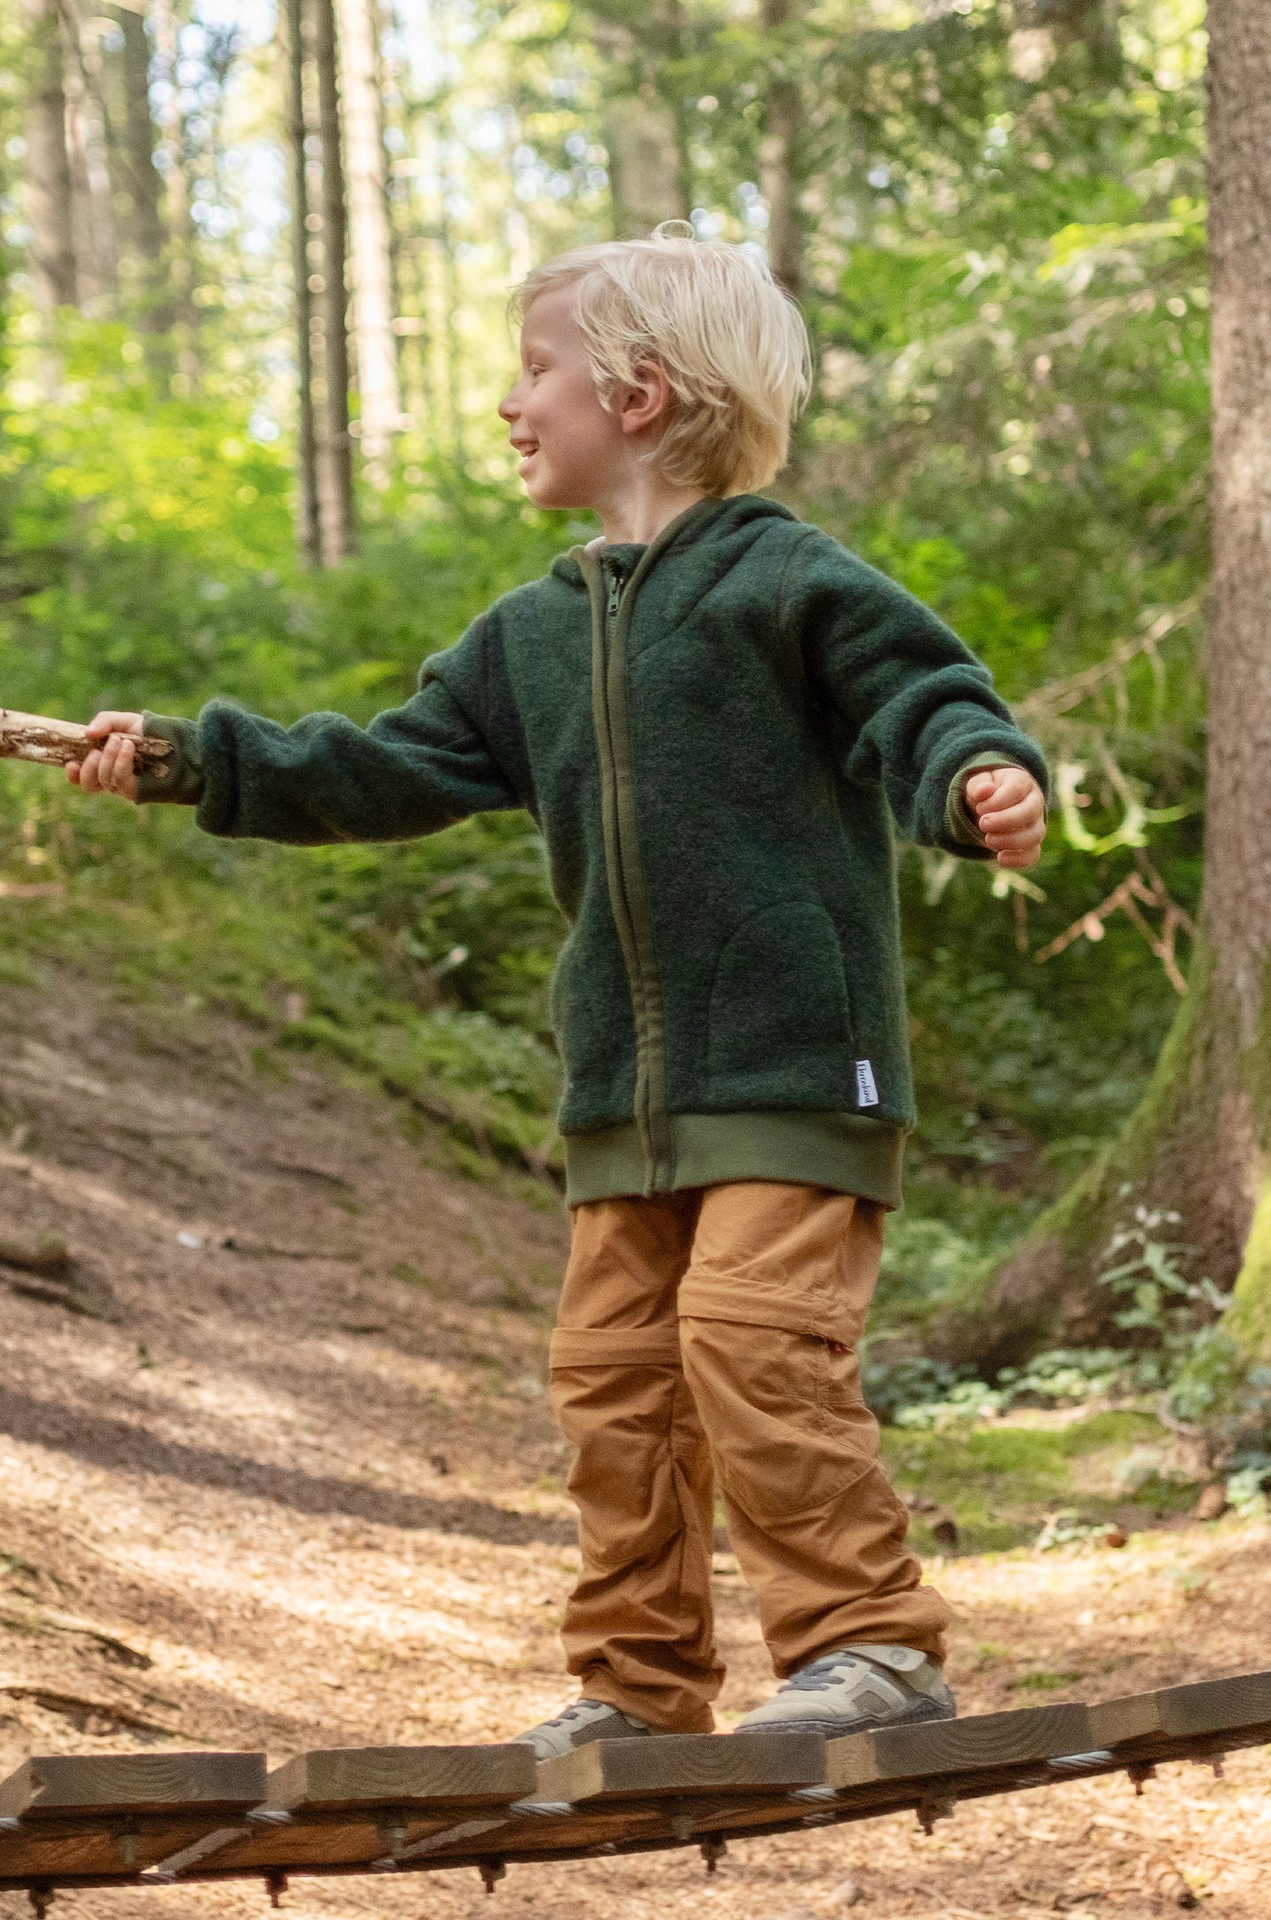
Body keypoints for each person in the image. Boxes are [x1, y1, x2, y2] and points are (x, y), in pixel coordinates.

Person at [68, 229, 1048, 1755]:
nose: (510, 403)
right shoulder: (527, 636)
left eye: (539, 369)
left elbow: (927, 698)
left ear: (643, 393)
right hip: (622, 1097)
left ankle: (873, 1651)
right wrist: (203, 759)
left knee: (751, 1341)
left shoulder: (789, 579)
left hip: (798, 1066)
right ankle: (642, 1687)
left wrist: (975, 777)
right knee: (615, 1380)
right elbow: (383, 763)